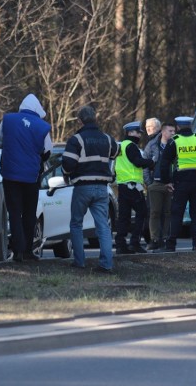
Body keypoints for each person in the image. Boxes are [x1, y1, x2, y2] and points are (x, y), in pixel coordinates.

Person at [0, 94, 53, 262]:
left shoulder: (8, 120)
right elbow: (47, 151)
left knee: (14, 212)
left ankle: (17, 250)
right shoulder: (42, 126)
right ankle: (27, 250)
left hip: (10, 175)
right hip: (31, 177)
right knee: (29, 213)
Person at [62, 104, 118, 273]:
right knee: (103, 226)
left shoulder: (76, 140)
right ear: (96, 118)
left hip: (82, 187)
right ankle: (106, 264)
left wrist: (66, 173)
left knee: (76, 224)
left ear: (80, 121)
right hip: (102, 187)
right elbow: (115, 152)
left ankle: (80, 262)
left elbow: (68, 164)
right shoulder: (107, 138)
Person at [157, 116, 196, 251]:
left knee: (177, 213)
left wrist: (167, 181)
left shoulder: (174, 141)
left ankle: (171, 245)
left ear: (178, 127)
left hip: (180, 182)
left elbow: (164, 163)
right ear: (191, 126)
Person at [114, 122, 155, 254]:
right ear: (130, 133)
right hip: (132, 186)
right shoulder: (131, 146)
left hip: (122, 186)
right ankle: (135, 242)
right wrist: (151, 162)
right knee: (142, 212)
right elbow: (137, 162)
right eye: (137, 132)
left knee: (124, 217)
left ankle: (120, 245)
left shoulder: (121, 146)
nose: (139, 135)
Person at [144, 122, 175, 250]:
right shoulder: (152, 145)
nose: (173, 133)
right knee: (154, 212)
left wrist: (174, 182)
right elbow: (145, 163)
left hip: (171, 185)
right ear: (163, 132)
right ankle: (155, 239)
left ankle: (165, 238)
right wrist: (149, 183)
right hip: (155, 183)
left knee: (168, 212)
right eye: (170, 131)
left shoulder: (175, 145)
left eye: (174, 131)